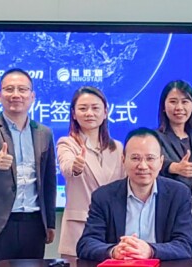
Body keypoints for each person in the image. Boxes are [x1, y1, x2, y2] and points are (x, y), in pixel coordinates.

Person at [0, 68, 56, 264]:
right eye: (9, 89)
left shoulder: (44, 133)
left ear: (32, 96)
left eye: (22, 89)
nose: (16, 95)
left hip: (33, 224)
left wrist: (50, 222)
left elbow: (49, 182)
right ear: (0, 96)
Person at [77, 127, 192, 261]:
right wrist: (113, 251)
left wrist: (150, 250)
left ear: (161, 162)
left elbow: (186, 245)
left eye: (150, 158)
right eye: (135, 158)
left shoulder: (179, 194)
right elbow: (86, 244)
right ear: (123, 160)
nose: (143, 166)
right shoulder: (103, 196)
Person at [57, 86, 125, 260]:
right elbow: (67, 166)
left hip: (113, 231)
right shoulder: (67, 143)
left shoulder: (117, 148)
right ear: (73, 113)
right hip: (79, 230)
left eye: (95, 108)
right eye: (83, 108)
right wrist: (76, 166)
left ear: (105, 112)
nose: (89, 113)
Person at [156, 80, 192, 259]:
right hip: (166, 211)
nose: (179, 107)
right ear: (164, 106)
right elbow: (146, 166)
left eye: (185, 101)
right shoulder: (154, 138)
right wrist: (173, 167)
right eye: (173, 101)